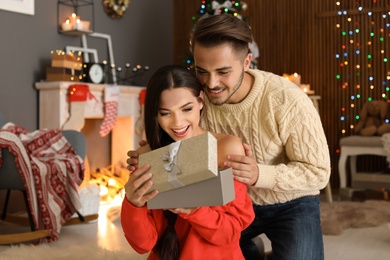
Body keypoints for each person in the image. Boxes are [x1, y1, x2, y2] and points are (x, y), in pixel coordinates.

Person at [128, 14, 331, 260]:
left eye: (223, 72)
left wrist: (260, 175)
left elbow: (318, 172)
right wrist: (152, 153)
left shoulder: (287, 100)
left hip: (290, 203)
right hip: (225, 203)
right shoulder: (197, 97)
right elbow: (175, 124)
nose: (211, 83)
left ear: (247, 62)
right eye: (202, 71)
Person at [121, 64, 254, 260]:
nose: (178, 123)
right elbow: (143, 244)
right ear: (155, 115)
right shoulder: (148, 156)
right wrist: (132, 204)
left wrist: (196, 211)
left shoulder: (226, 149)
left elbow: (230, 231)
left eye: (187, 109)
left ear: (200, 101)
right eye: (165, 113)